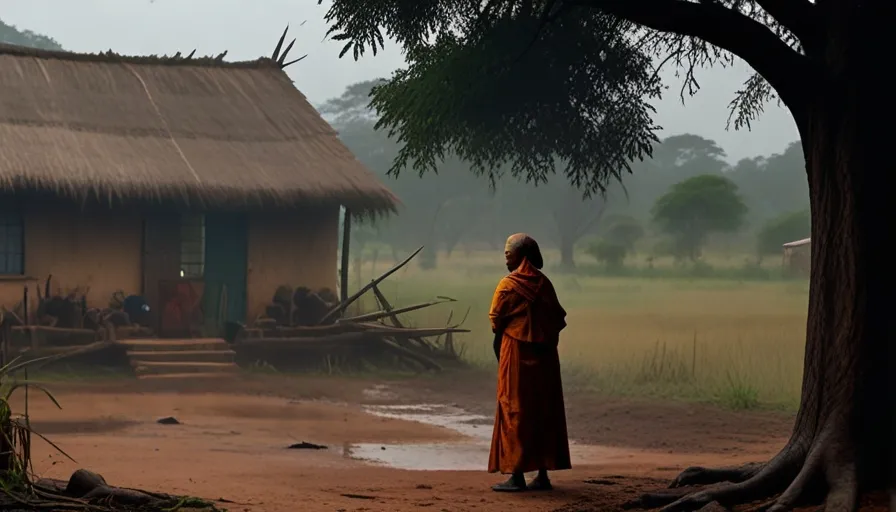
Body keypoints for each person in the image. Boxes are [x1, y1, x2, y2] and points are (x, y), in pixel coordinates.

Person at [488, 233, 571, 492]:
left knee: (515, 409)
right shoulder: (545, 284)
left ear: (520, 255)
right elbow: (557, 319)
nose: (506, 259)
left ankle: (516, 475)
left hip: (515, 353)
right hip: (544, 356)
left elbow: (495, 319)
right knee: (542, 410)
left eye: (508, 254)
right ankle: (543, 475)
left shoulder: (508, 285)